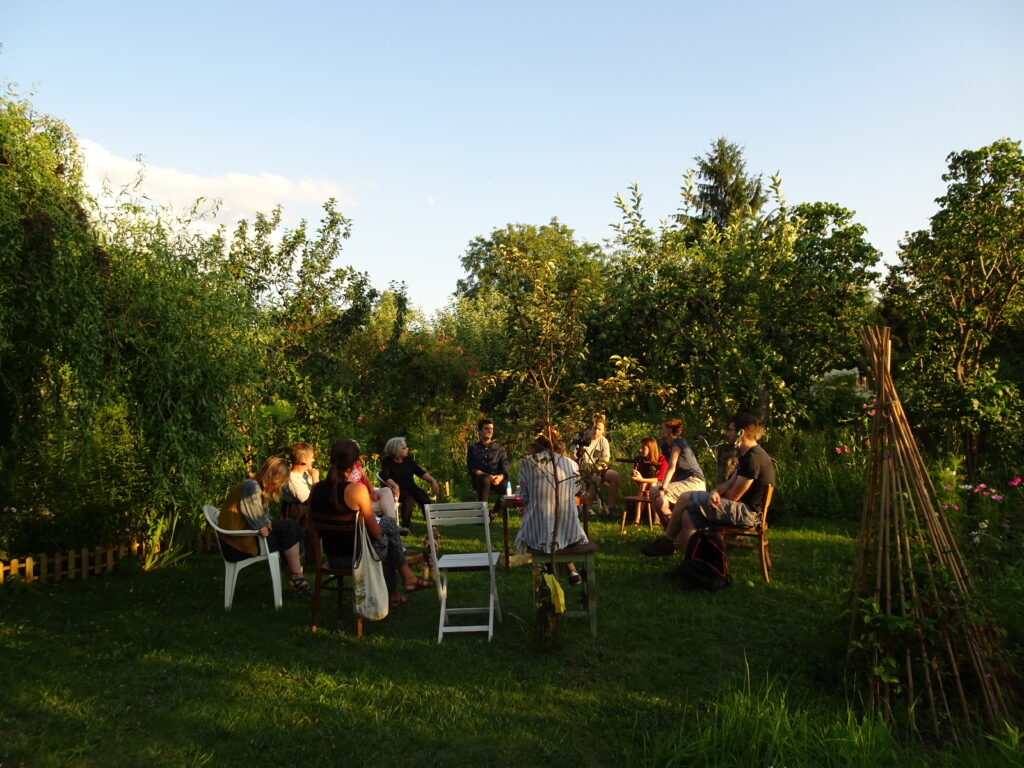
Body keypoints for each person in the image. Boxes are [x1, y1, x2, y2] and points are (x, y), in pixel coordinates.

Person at [309, 439, 431, 609]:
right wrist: (388, 533)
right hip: (359, 558)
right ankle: (404, 583)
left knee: (388, 530)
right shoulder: (355, 490)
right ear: (354, 465)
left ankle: (398, 589)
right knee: (388, 533)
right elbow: (375, 533)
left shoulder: (315, 489)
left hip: (332, 557)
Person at [642, 412, 775, 557]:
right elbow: (728, 484)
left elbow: (733, 496)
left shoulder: (753, 458)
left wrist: (715, 495)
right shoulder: (747, 456)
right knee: (687, 516)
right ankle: (691, 563)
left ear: (740, 433)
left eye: (730, 430)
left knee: (685, 498)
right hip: (740, 509)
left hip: (747, 513)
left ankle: (666, 541)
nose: (727, 434)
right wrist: (715, 492)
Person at [218, 456, 313, 595]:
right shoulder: (251, 487)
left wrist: (266, 526)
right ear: (273, 476)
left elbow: (263, 521)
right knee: (290, 528)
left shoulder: (258, 489)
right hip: (236, 545)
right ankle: (297, 578)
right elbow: (257, 520)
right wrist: (265, 526)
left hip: (242, 540)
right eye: (280, 481)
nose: (280, 486)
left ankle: (296, 578)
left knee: (291, 530)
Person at [514, 429, 589, 585]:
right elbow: (575, 491)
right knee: (554, 524)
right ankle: (569, 570)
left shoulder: (528, 461)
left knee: (542, 525)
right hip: (570, 530)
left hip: (537, 532)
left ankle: (548, 577)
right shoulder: (571, 463)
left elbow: (524, 496)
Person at [649, 418, 706, 526]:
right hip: (682, 483)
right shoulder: (665, 447)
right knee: (654, 493)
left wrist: (663, 488)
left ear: (669, 431)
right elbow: (674, 474)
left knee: (658, 493)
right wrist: (663, 486)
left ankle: (671, 534)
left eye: (662, 428)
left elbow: (671, 467)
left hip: (694, 481)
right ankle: (670, 531)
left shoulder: (679, 442)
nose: (660, 430)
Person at [380, 436, 441, 528]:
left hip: (410, 486)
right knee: (409, 500)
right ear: (397, 449)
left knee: (424, 498)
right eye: (405, 448)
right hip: (396, 489)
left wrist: (433, 481)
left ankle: (433, 526)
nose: (407, 449)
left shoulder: (408, 459)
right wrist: (396, 487)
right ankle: (405, 527)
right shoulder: (387, 461)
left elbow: (419, 472)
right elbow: (386, 477)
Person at [280, 442, 320, 563]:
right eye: (311, 457)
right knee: (305, 530)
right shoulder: (292, 478)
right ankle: (300, 559)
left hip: (305, 510)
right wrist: (315, 479)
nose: (313, 460)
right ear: (303, 460)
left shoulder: (305, 474)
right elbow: (309, 499)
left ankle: (313, 559)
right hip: (296, 512)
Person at [467, 418, 510, 512]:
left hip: (496, 480)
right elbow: (472, 468)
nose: (490, 430)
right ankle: (483, 513)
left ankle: (493, 513)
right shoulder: (473, 449)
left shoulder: (499, 448)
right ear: (480, 431)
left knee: (508, 489)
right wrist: (488, 476)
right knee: (485, 479)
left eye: (491, 428)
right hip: (480, 480)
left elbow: (505, 467)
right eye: (486, 428)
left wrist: (500, 477)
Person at [627, 437, 667, 525]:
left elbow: (660, 478)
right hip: (644, 486)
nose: (640, 450)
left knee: (652, 484)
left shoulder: (661, 459)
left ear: (651, 448)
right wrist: (634, 474)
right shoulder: (640, 459)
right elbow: (637, 479)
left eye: (643, 448)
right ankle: (637, 519)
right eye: (640, 447)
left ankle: (657, 519)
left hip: (660, 487)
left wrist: (642, 479)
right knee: (644, 484)